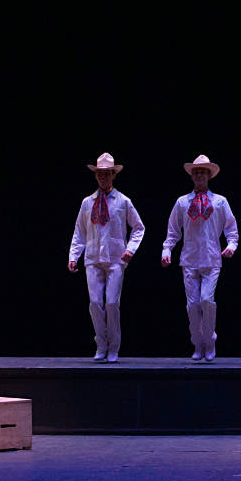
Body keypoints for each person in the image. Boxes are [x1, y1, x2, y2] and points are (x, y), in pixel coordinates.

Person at [69, 153, 145, 362]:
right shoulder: (87, 202)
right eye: (100, 174)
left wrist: (130, 249)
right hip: (93, 257)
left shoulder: (123, 201)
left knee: (111, 303)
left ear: (113, 175)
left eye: (107, 174)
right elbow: (79, 231)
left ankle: (114, 347)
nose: (104, 178)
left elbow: (138, 228)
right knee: (95, 303)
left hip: (115, 259)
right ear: (96, 176)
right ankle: (101, 344)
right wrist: (74, 255)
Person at [162, 155, 239, 362]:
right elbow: (173, 231)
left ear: (209, 175)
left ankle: (210, 340)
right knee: (193, 305)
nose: (199, 175)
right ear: (192, 175)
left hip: (212, 258)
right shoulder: (182, 202)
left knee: (206, 300)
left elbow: (231, 229)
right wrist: (167, 250)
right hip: (189, 259)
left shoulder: (219, 201)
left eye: (203, 172)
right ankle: (197, 342)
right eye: (196, 172)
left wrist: (231, 245)